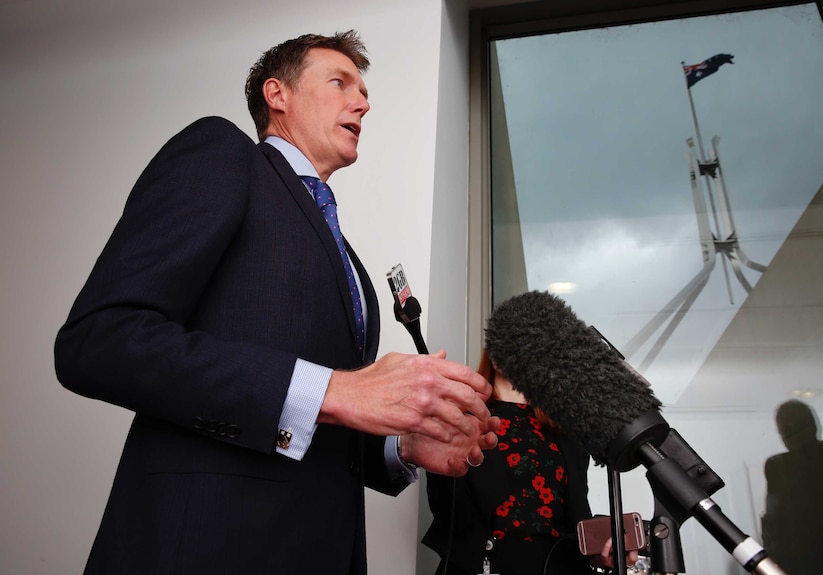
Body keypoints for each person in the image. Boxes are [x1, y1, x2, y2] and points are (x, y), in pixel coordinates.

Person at [54, 30, 499, 575]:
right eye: (340, 82)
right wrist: (338, 389)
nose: (362, 102)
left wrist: (400, 447)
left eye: (363, 93)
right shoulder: (222, 153)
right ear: (277, 94)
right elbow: (99, 341)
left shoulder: (349, 258)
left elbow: (308, 420)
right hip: (204, 551)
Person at [423, 292, 638, 575]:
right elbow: (450, 511)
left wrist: (600, 553)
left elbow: (575, 516)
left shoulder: (566, 427)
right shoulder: (463, 417)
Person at [761, 399, 823, 574]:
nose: (788, 437)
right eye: (786, 431)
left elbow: (774, 525)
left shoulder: (778, 467)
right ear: (815, 426)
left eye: (787, 431)